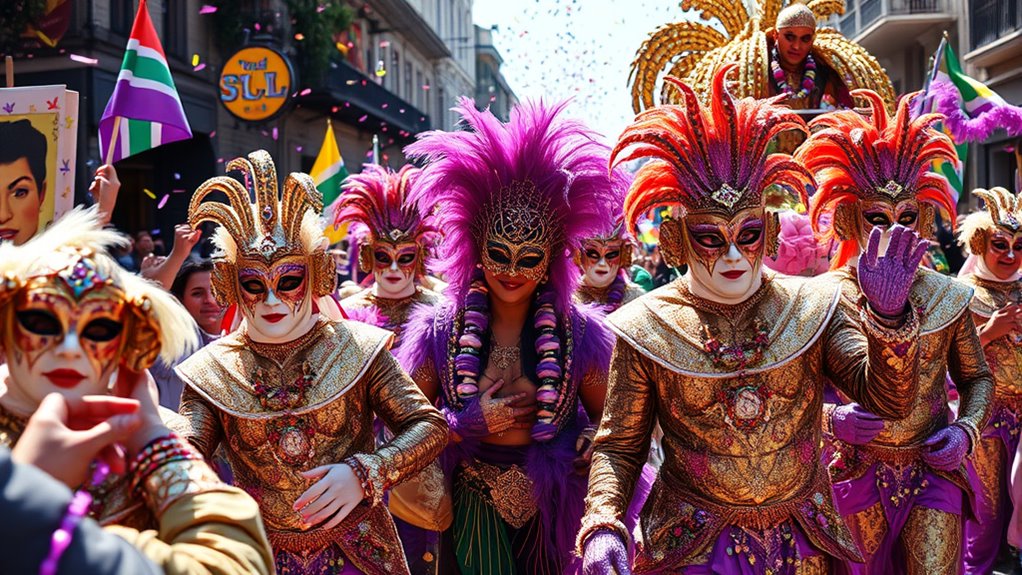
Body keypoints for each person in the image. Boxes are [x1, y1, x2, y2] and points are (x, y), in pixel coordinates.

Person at [578, 65, 923, 575]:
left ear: (773, 229)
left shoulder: (813, 307)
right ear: (677, 240)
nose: (735, 255)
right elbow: (622, 446)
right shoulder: (645, 326)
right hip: (693, 544)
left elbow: (889, 400)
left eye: (749, 233)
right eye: (712, 238)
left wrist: (888, 319)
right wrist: (603, 525)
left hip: (804, 540)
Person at [178, 149, 448, 575]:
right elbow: (188, 452)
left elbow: (429, 427)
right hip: (259, 556)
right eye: (253, 283)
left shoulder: (357, 348)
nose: (270, 300)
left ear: (315, 273)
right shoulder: (211, 370)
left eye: (288, 280)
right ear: (229, 282)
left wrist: (366, 473)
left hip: (360, 552)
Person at [399, 98, 617, 574]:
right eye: (500, 252)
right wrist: (462, 425)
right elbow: (401, 427)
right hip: (464, 506)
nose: (513, 271)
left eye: (529, 256)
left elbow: (617, 425)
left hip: (556, 507)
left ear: (553, 257)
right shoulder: (438, 332)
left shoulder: (582, 334)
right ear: (476, 249)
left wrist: (588, 436)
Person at [0, 207, 274, 574]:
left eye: (98, 329)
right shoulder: (161, 439)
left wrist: (152, 439)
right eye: (41, 321)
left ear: (130, 341)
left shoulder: (165, 432)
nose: (68, 348)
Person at [796, 89, 994, 574]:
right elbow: (791, 393)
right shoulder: (820, 297)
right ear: (848, 218)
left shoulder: (947, 295)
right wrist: (832, 419)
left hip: (932, 467)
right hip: (852, 469)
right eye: (878, 219)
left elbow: (977, 379)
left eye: (906, 218)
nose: (895, 232)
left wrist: (966, 432)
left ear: (923, 219)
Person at [956, 187, 1022, 574]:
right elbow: (946, 363)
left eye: (1018, 245)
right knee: (987, 510)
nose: (1010, 255)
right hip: (986, 417)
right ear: (981, 244)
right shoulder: (962, 295)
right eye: (999, 244)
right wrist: (989, 332)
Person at [336, 164, 442, 347]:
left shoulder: (440, 312)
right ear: (368, 255)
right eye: (383, 257)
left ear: (420, 257)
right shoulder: (346, 313)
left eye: (405, 258)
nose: (394, 268)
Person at [149, 259, 225, 411]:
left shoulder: (245, 338)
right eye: (197, 293)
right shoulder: (170, 344)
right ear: (180, 300)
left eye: (216, 291)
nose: (209, 300)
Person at [574, 183, 647, 313]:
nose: (602, 264)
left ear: (624, 254)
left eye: (611, 254)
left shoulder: (636, 301)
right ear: (578, 253)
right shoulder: (565, 300)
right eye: (593, 253)